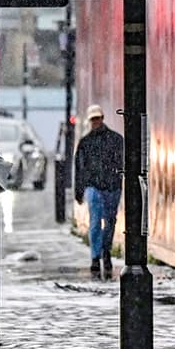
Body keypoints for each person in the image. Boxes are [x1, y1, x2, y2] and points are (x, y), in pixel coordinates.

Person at [74, 104, 124, 275]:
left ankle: (105, 251)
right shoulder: (88, 143)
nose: (95, 121)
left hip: (110, 186)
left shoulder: (114, 140)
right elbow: (79, 168)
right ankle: (97, 256)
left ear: (101, 118)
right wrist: (79, 190)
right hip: (97, 186)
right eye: (93, 119)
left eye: (97, 118)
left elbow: (80, 167)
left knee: (109, 221)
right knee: (96, 222)